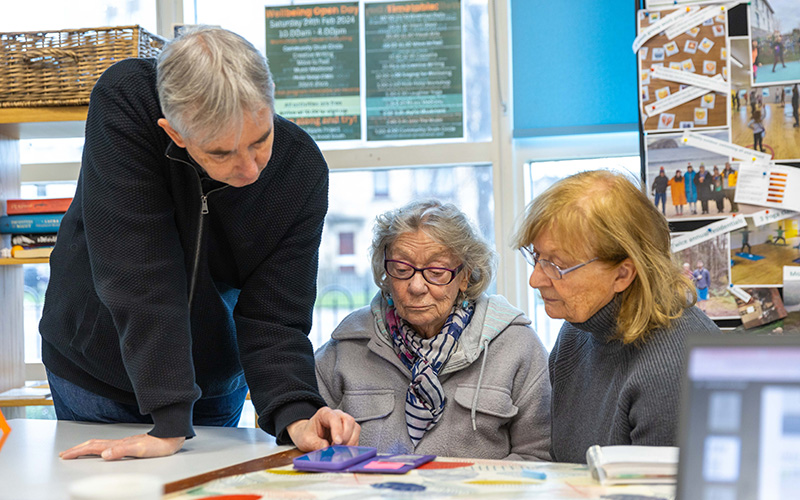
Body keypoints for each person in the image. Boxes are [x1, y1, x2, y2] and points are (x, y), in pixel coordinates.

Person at [38, 27, 359, 460]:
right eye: (221, 153)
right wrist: (170, 419)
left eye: (260, 141)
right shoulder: (125, 100)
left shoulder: (300, 170)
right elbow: (139, 272)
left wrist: (296, 412)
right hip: (97, 365)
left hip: (212, 376)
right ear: (175, 134)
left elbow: (276, 314)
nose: (249, 169)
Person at [315, 200, 551, 460]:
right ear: (385, 271)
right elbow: (306, 438)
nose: (416, 286)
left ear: (464, 276)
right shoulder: (348, 344)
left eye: (436, 271)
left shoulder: (515, 344)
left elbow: (538, 455)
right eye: (402, 269)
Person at [513, 170, 719, 464]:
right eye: (537, 257)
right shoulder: (577, 332)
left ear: (622, 274)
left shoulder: (675, 367)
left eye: (557, 265)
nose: (535, 279)